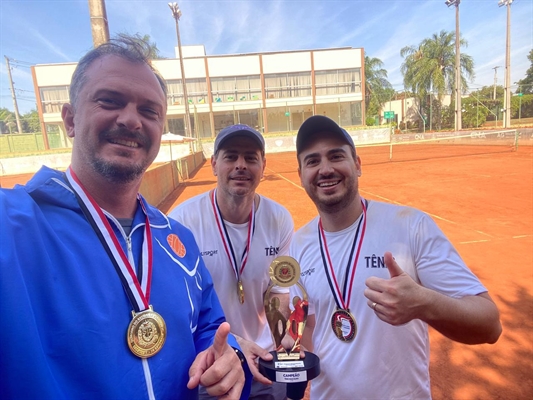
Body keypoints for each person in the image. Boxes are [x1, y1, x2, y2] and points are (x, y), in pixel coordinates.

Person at [0, 36, 251, 400]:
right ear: (69, 120)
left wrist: (228, 361)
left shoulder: (176, 239)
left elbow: (210, 329)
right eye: (110, 101)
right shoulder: (14, 224)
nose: (131, 120)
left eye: (149, 111)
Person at [290, 115, 502, 399]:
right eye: (312, 161)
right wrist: (293, 357)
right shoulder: (298, 244)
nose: (325, 169)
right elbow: (311, 325)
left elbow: (490, 325)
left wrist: (424, 303)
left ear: (358, 164)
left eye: (336, 156)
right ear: (301, 174)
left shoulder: (410, 226)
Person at [169, 124, 294, 399]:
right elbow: (181, 307)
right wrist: (236, 344)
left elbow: (277, 290)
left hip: (264, 361)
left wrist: (279, 333)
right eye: (231, 156)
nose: (241, 165)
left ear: (263, 165)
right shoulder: (182, 223)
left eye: (251, 157)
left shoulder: (280, 219)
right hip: (212, 366)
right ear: (214, 164)